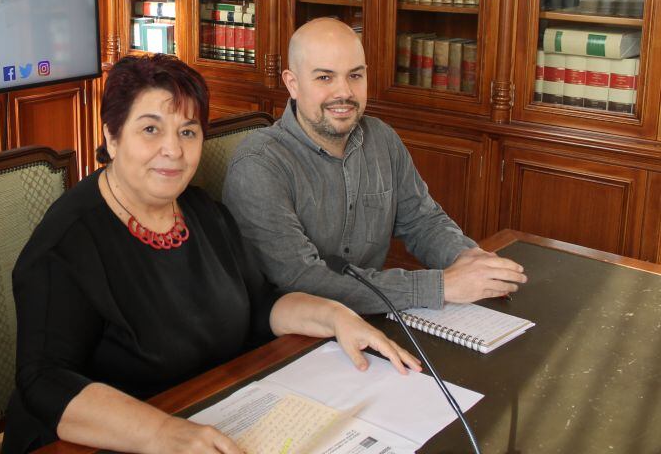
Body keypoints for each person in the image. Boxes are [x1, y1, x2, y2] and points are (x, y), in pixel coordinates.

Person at [3, 54, 421, 454]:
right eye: (150, 129)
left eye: (188, 132)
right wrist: (163, 434)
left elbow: (259, 304)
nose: (173, 149)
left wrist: (335, 316)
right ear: (112, 137)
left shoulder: (202, 212)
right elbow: (45, 382)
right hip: (107, 440)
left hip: (212, 414)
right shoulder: (66, 246)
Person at [223, 18, 527, 315]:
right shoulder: (259, 164)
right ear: (293, 84)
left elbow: (424, 222)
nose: (344, 92)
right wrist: (441, 286)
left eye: (355, 76)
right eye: (325, 78)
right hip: (290, 342)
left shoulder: (381, 138)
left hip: (373, 318)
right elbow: (302, 279)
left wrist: (471, 261)